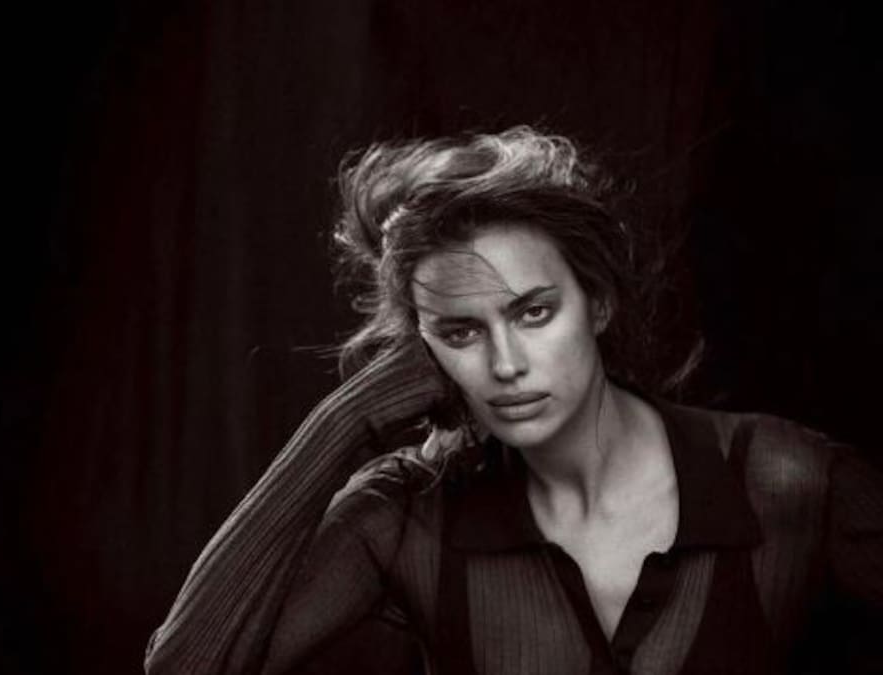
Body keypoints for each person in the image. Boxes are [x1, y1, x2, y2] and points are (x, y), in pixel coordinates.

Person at [144, 127, 883, 674]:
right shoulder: (408, 518)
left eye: (534, 312)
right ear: (422, 350)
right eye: (460, 331)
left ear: (597, 302)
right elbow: (183, 667)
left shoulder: (785, 480)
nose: (505, 364)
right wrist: (344, 421)